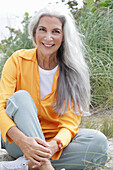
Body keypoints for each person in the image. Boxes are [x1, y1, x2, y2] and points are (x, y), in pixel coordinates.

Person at [0, 2, 108, 170]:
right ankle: (44, 166)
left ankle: (25, 164)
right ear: (34, 32)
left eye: (55, 32)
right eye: (42, 29)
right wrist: (23, 140)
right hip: (19, 141)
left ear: (63, 36)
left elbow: (70, 123)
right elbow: (1, 107)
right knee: (20, 97)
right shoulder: (17, 60)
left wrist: (53, 145)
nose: (48, 37)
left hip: (52, 143)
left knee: (99, 143)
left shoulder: (72, 71)